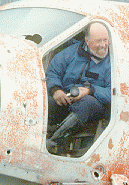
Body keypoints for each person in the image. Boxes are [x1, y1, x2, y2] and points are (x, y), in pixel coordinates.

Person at [46, 22, 111, 152]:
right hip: (66, 100)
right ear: (87, 40)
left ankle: (54, 143)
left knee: (87, 103)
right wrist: (56, 90)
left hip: (92, 107)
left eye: (105, 40)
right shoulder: (71, 52)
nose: (103, 45)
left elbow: (115, 93)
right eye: (98, 41)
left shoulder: (112, 62)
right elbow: (53, 72)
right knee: (47, 103)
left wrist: (90, 90)